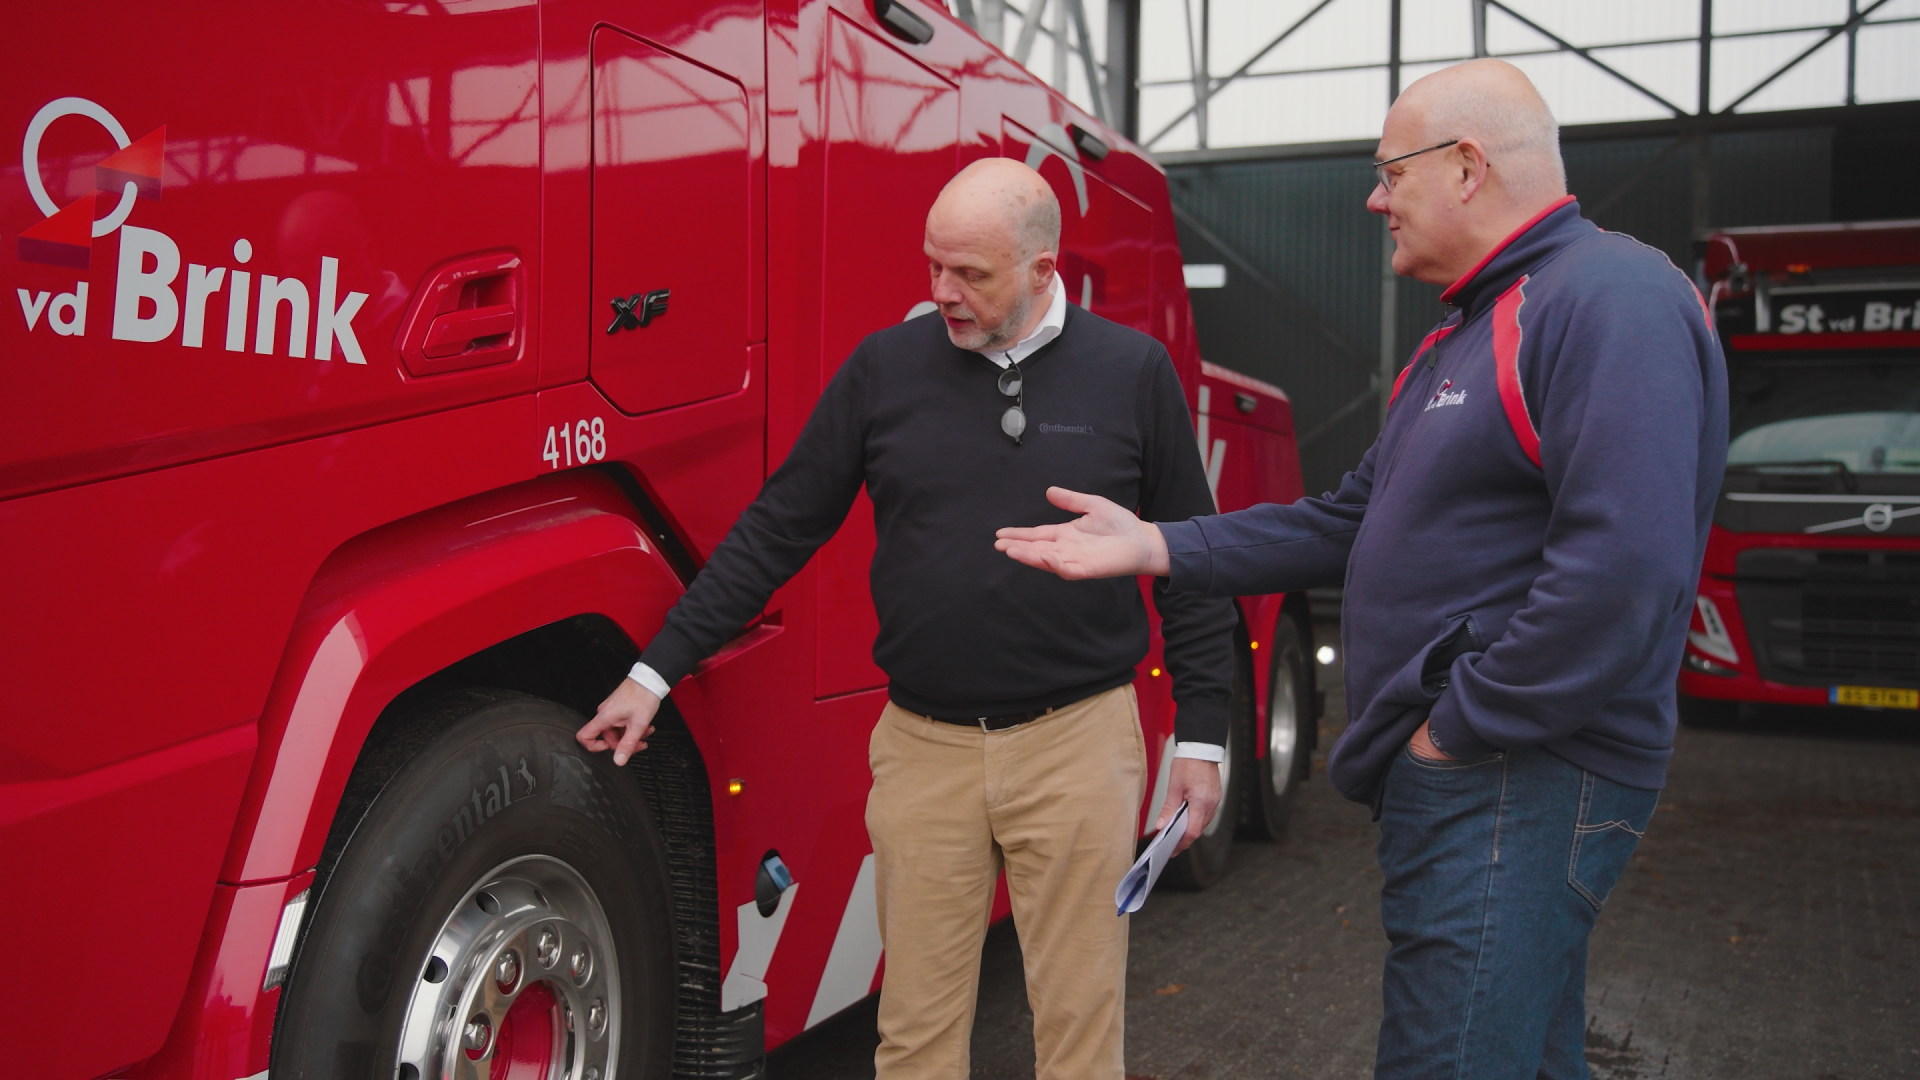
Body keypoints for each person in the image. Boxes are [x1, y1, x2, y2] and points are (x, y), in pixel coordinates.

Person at [994, 60, 1728, 1080]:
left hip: (1518, 776)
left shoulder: (1609, 297)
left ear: (1467, 167)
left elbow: (1624, 575)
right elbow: (1348, 518)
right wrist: (1157, 544)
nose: (1375, 197)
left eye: (1391, 170)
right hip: (1487, 779)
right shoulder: (1460, 336)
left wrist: (1455, 732)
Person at [576, 157, 1238, 1080]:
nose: (942, 293)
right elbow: (778, 527)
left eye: (972, 273)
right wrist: (655, 672)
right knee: (915, 1038)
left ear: (1044, 269)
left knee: (1080, 1034)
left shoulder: (1131, 372)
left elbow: (1194, 563)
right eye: (934, 266)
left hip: (1079, 744)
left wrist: (1202, 738)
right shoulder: (885, 369)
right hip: (924, 751)